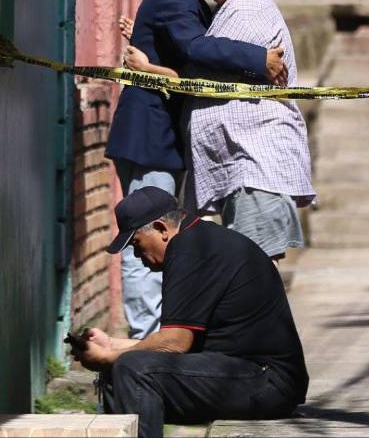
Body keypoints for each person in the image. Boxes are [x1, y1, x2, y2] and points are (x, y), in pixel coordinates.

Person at [105, 0, 289, 339]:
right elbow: (196, 50)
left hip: (165, 137)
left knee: (161, 235)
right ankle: (144, 337)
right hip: (151, 137)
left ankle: (157, 334)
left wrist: (151, 63)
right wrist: (259, 58)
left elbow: (187, 65)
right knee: (144, 236)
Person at [68, 187, 309, 438]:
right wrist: (111, 344)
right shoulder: (197, 240)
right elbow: (180, 341)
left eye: (137, 244)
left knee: (131, 369)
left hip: (268, 381)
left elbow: (175, 343)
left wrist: (109, 357)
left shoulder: (189, 249)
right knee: (122, 368)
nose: (138, 256)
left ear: (161, 229)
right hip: (248, 373)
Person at [184, 0, 315, 260]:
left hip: (255, 168)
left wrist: (150, 68)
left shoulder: (247, 10)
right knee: (251, 276)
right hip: (246, 170)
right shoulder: (231, 8)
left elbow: (200, 65)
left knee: (251, 275)